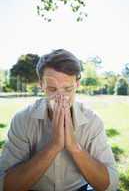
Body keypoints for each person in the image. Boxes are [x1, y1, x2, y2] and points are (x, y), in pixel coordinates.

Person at [0, 49, 119, 191]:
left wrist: (74, 147)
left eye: (68, 89)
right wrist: (54, 145)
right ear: (41, 84)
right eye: (52, 89)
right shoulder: (23, 120)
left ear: (77, 84)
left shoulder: (92, 121)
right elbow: (6, 185)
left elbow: (110, 184)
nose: (60, 98)